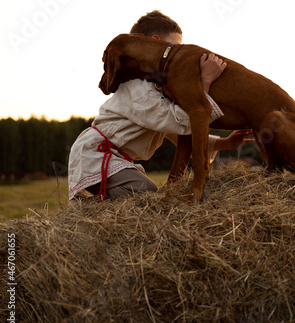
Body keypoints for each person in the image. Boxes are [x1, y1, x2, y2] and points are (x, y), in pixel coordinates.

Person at [68, 10, 251, 202]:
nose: (180, 55)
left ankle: (94, 203)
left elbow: (176, 132)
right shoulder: (138, 89)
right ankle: (91, 207)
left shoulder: (156, 88)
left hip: (110, 157)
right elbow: (180, 121)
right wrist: (204, 82)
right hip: (96, 155)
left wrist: (224, 143)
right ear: (156, 42)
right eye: (176, 48)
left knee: (146, 192)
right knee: (145, 190)